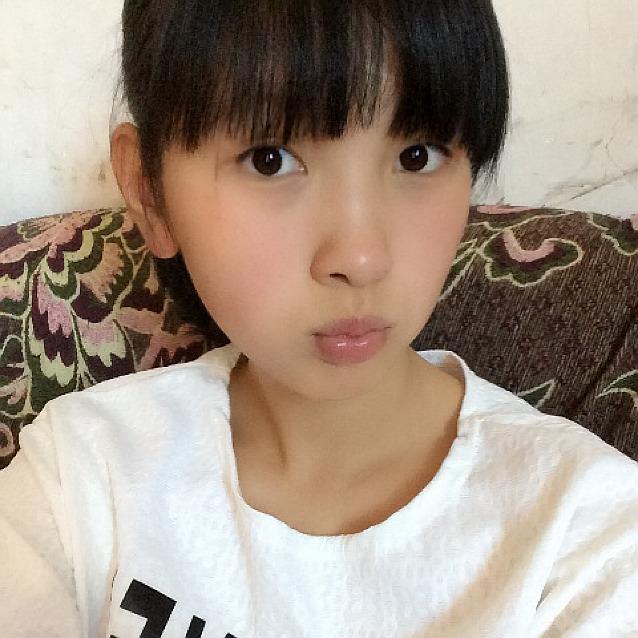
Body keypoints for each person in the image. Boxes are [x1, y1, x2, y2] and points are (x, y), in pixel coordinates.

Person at [1, 1, 637, 636]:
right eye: (270, 159)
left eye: (418, 156)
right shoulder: (81, 478)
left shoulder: (588, 534)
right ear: (150, 193)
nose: (360, 259)